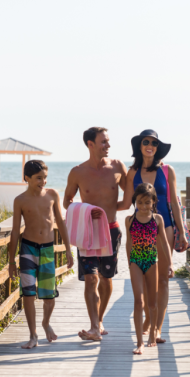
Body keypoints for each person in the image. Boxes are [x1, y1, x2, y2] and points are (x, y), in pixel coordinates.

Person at [119, 129, 188, 344]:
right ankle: (149, 319)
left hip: (164, 225)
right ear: (140, 146)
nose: (150, 145)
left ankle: (157, 329)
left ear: (158, 148)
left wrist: (182, 231)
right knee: (148, 278)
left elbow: (175, 202)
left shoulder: (168, 170)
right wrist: (96, 205)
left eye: (154, 143)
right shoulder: (132, 172)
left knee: (163, 280)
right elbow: (126, 203)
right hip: (141, 230)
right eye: (146, 142)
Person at [64, 127, 127, 341]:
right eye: (103, 142)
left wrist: (107, 210)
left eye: (108, 141)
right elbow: (67, 202)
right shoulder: (77, 172)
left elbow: (129, 199)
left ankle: (99, 320)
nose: (108, 145)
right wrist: (87, 213)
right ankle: (93, 327)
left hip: (111, 230)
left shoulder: (118, 167)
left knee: (106, 278)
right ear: (90, 144)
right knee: (91, 279)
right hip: (88, 232)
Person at [9, 159, 74, 349]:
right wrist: (11, 261)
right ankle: (33, 335)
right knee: (28, 294)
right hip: (27, 249)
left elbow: (61, 223)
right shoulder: (20, 200)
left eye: (45, 177)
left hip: (47, 249)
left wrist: (68, 249)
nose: (43, 181)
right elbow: (14, 231)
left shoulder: (52, 195)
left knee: (49, 297)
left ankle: (46, 322)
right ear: (27, 178)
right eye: (39, 178)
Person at [126, 183, 173, 354]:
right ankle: (140, 342)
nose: (143, 206)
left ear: (154, 202)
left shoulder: (157, 219)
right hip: (136, 262)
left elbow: (165, 243)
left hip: (152, 262)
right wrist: (129, 261)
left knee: (152, 304)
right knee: (139, 302)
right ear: (135, 202)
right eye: (139, 203)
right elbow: (128, 243)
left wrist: (170, 264)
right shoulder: (130, 220)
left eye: (147, 203)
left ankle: (153, 331)